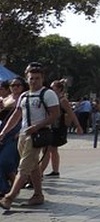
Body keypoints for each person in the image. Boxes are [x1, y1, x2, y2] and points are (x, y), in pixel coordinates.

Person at [0, 62, 60, 209]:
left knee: (24, 167)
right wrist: (3, 132)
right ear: (27, 78)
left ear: (42, 79)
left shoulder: (48, 94)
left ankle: (9, 197)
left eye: (37, 78)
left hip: (37, 136)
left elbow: (55, 114)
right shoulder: (24, 96)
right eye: (31, 78)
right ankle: (38, 195)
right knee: (32, 167)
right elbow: (16, 115)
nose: (34, 81)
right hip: (23, 135)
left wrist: (37, 127)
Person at [40, 79, 83, 178]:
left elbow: (71, 114)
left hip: (58, 127)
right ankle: (55, 171)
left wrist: (78, 126)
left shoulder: (62, 100)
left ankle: (40, 171)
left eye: (53, 87)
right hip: (51, 126)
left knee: (49, 149)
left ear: (59, 89)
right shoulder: (51, 99)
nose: (50, 89)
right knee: (52, 150)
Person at [0, 78, 25, 197]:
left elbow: (25, 118)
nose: (15, 87)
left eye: (18, 85)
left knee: (6, 161)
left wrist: (20, 131)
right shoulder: (5, 99)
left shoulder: (24, 99)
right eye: (12, 85)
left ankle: (13, 188)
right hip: (3, 132)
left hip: (16, 133)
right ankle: (6, 188)